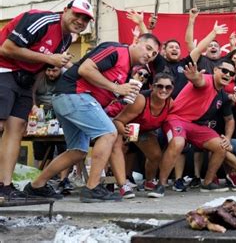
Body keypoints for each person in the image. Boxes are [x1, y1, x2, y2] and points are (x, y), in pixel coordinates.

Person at [23, 33, 160, 202]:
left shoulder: (126, 72)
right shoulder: (116, 50)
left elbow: (105, 91)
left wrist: (121, 96)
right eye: (148, 48)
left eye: (154, 54)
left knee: (78, 151)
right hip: (73, 95)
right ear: (135, 41)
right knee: (109, 133)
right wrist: (116, 89)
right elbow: (85, 69)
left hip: (69, 100)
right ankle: (92, 188)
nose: (149, 55)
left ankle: (36, 186)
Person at [0, 0, 93, 198]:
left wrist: (32, 100)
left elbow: (41, 69)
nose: (80, 21)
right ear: (65, 10)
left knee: (16, 129)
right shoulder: (43, 20)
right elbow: (6, 48)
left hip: (25, 80)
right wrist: (49, 59)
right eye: (76, 14)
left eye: (85, 19)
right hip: (3, 70)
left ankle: (4, 186)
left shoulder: (68, 38)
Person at [158, 60, 235, 196]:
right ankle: (161, 185)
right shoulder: (206, 80)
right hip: (176, 119)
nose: (228, 74)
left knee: (221, 146)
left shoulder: (222, 94)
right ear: (215, 70)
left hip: (195, 125)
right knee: (178, 142)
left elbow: (229, 120)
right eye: (224, 71)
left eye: (231, 73)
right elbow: (199, 81)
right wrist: (194, 77)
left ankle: (207, 183)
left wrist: (227, 138)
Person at [112, 73, 174, 199]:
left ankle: (149, 181)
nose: (163, 90)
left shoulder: (170, 103)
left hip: (143, 131)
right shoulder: (141, 100)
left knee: (156, 155)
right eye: (160, 86)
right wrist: (124, 132)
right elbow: (117, 121)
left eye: (168, 87)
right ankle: (122, 184)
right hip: (122, 126)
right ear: (152, 86)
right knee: (121, 149)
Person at [31, 65, 72, 193]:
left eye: (54, 70)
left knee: (64, 146)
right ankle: (41, 179)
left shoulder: (66, 76)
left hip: (61, 114)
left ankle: (63, 180)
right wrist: (33, 106)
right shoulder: (38, 76)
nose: (51, 73)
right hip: (41, 114)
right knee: (40, 148)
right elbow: (30, 92)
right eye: (48, 70)